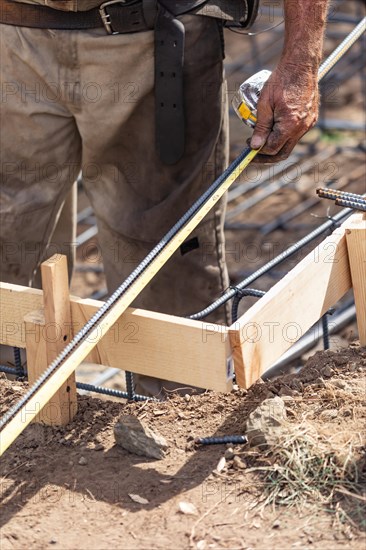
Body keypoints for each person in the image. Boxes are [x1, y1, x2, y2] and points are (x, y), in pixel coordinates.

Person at [0, 0, 330, 396]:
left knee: (163, 258)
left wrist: (299, 63)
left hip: (151, 38)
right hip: (14, 32)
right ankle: (17, 407)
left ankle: (173, 421)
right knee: (9, 235)